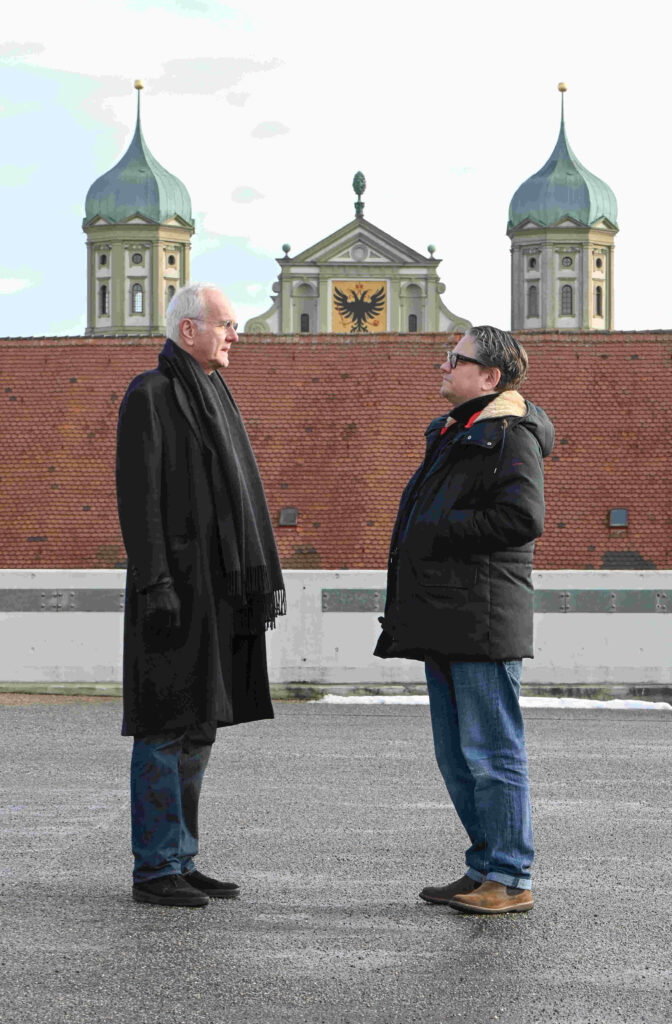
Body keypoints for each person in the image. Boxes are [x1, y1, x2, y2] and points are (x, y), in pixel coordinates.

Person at [115, 282, 286, 907]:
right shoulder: (152, 395)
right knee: (163, 728)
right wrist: (157, 581)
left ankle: (182, 858)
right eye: (225, 324)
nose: (235, 335)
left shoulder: (215, 392)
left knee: (199, 726)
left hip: (216, 591)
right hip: (171, 591)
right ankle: (155, 869)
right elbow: (139, 500)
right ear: (189, 330)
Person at [374, 325, 554, 914]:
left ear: (490, 376)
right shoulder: (457, 432)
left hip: (481, 619)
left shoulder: (509, 436)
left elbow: (523, 518)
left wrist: (437, 530)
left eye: (456, 359)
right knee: (456, 755)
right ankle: (484, 866)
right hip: (447, 616)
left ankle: (510, 876)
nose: (444, 367)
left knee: (493, 753)